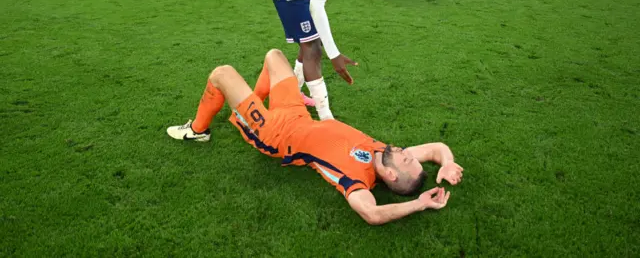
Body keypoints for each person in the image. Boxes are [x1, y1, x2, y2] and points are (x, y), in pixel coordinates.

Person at [166, 49, 463, 225]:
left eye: (405, 158)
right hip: (296, 115)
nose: (405, 150)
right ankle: (246, 104)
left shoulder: (357, 181)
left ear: (389, 174)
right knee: (275, 56)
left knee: (222, 73)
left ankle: (197, 131)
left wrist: (420, 204)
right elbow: (437, 148)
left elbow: (372, 213)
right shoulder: (386, 153)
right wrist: (447, 162)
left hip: (275, 134)